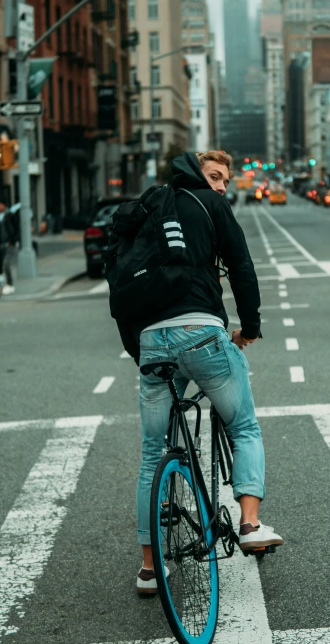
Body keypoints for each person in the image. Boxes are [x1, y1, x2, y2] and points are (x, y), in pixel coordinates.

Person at [115, 150, 284, 596]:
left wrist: (139, 350)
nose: (222, 186)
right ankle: (249, 523)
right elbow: (242, 268)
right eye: (215, 176)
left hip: (152, 341)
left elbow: (121, 283)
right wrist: (249, 328)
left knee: (153, 454)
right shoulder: (210, 205)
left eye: (226, 180)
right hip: (203, 334)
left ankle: (149, 569)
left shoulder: (149, 207)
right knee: (244, 427)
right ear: (198, 174)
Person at [0, 199, 19, 295]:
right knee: (1, 265)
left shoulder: (10, 215)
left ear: (4, 205)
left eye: (0, 205)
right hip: (1, 244)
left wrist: (13, 241)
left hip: (10, 243)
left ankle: (10, 284)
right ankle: (4, 284)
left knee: (6, 264)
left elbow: (17, 229)